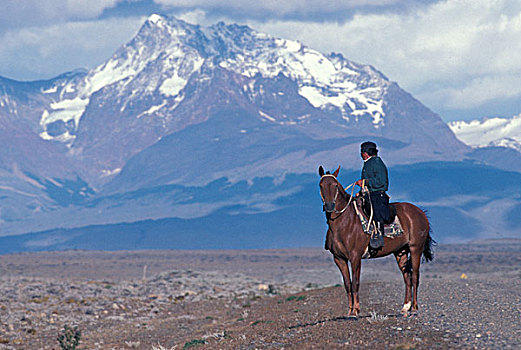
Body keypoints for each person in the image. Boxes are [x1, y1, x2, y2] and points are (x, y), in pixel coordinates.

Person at [355, 141, 390, 249]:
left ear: (365, 153)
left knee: (376, 209)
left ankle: (379, 234)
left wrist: (365, 182)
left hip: (377, 194)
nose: (361, 155)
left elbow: (382, 182)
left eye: (361, 152)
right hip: (367, 194)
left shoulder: (376, 163)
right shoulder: (368, 163)